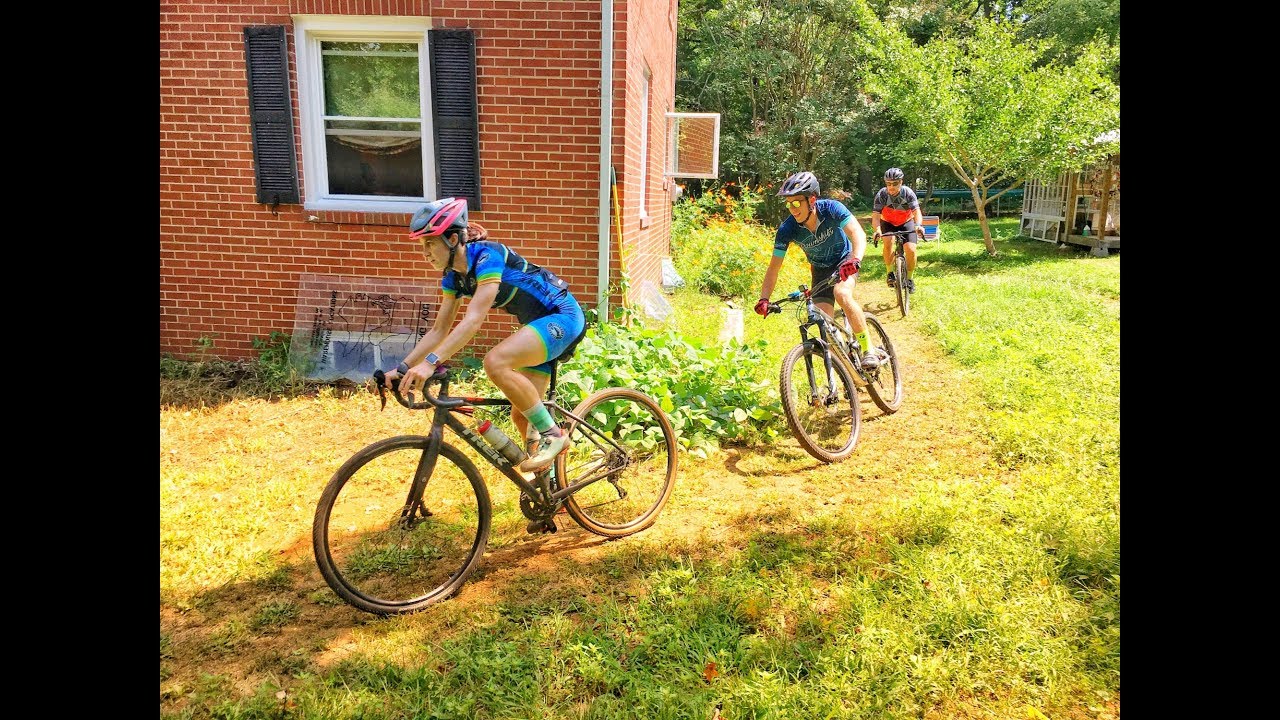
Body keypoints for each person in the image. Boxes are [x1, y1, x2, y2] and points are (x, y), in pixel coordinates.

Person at [385, 197, 586, 474]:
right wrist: (403, 367)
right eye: (422, 245)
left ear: (452, 239)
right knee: (523, 415)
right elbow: (439, 330)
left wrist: (430, 362)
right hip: (537, 326)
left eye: (430, 243)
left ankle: (554, 436)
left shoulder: (487, 256)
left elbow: (473, 321)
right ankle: (548, 488)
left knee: (495, 361)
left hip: (563, 316)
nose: (425, 252)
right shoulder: (453, 277)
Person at [754, 171, 886, 370]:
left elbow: (857, 233)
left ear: (812, 200)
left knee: (842, 293)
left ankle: (869, 350)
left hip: (845, 260)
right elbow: (774, 268)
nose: (792, 209)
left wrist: (856, 259)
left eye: (796, 203)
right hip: (820, 270)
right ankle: (848, 367)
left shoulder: (832, 209)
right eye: (788, 204)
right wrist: (764, 298)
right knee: (824, 323)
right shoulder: (787, 229)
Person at [871, 167, 925, 294]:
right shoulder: (882, 195)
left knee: (911, 250)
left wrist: (918, 225)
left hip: (906, 222)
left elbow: (916, 212)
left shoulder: (908, 193)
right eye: (888, 183)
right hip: (888, 222)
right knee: (888, 241)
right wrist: (877, 230)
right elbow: (876, 217)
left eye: (895, 183)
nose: (891, 187)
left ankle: (910, 279)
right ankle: (890, 272)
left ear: (901, 182)